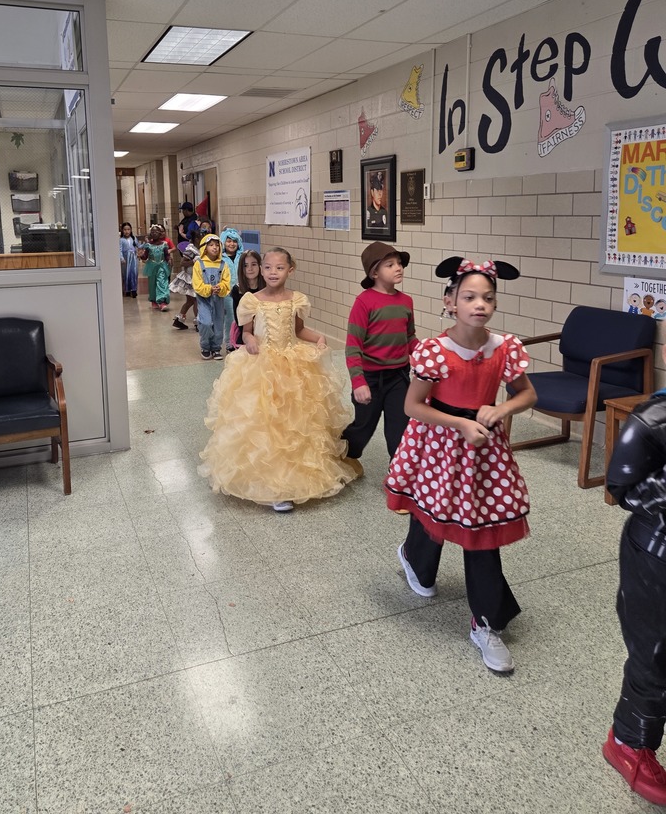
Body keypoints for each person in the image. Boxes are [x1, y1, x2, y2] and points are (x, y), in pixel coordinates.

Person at [383, 257, 537, 674]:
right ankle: (416, 559)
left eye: (487, 297)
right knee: (434, 514)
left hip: (485, 452)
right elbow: (412, 405)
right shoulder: (434, 351)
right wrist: (460, 424)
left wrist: (501, 407)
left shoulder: (505, 347)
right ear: (449, 301)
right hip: (439, 446)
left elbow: (527, 395)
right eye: (468, 296)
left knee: (479, 532)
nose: (479, 304)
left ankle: (486, 623)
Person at [198, 247, 361, 511]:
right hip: (262, 364)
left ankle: (298, 476)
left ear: (290, 270)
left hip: (292, 364)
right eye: (268, 267)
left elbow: (298, 330)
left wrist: (318, 337)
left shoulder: (297, 299)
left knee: (294, 422)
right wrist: (249, 341)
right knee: (265, 422)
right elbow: (246, 332)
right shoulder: (252, 300)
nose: (273, 272)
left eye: (280, 268)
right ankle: (272, 486)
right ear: (262, 270)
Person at [602, 359, 666, 805]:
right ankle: (630, 743)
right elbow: (622, 488)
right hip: (657, 554)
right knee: (656, 653)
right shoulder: (654, 420)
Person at [342, 242, 418, 464]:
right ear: (374, 272)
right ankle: (343, 458)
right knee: (362, 428)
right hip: (370, 378)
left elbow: (410, 337)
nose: (398, 268)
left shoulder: (406, 301)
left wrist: (425, 353)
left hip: (399, 377)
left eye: (399, 263)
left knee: (400, 430)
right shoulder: (364, 302)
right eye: (390, 264)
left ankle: (399, 474)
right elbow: (353, 345)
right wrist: (358, 382)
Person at [192, 232, 230, 359]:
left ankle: (216, 347)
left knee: (219, 323)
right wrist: (208, 289)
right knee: (206, 323)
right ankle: (205, 345)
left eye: (217, 245)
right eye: (211, 245)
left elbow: (226, 282)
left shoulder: (223, 264)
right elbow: (197, 284)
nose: (215, 247)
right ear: (204, 247)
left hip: (218, 299)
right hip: (204, 300)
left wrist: (221, 288)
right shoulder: (199, 264)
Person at [230, 249, 264, 347]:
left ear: (260, 266)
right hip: (245, 333)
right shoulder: (237, 290)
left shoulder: (267, 287)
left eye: (253, 264)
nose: (250, 269)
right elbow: (238, 319)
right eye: (245, 265)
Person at [220, 228, 243, 351]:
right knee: (230, 316)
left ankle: (239, 339)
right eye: (228, 241)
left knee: (241, 316)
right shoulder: (221, 258)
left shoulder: (242, 257)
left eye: (234, 241)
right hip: (226, 293)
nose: (232, 244)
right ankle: (229, 342)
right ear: (223, 242)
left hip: (240, 291)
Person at [170, 237, 199, 329]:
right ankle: (198, 322)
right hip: (190, 279)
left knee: (190, 301)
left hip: (197, 278)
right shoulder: (191, 249)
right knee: (196, 301)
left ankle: (179, 320)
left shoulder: (203, 249)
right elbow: (182, 263)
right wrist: (193, 261)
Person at [140, 225, 171, 311]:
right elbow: (145, 256)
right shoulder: (148, 245)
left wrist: (169, 260)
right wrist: (142, 256)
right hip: (151, 266)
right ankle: (154, 300)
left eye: (156, 232)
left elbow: (166, 255)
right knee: (152, 284)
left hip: (161, 265)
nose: (154, 233)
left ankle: (162, 302)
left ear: (160, 233)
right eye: (152, 232)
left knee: (162, 282)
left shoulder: (164, 244)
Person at [119, 222, 139, 298]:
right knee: (126, 274)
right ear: (122, 230)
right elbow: (119, 250)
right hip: (125, 259)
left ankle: (134, 290)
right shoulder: (121, 240)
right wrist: (121, 258)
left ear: (131, 230)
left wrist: (146, 243)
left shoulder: (133, 238)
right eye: (125, 229)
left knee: (133, 273)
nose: (127, 231)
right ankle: (127, 290)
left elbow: (139, 246)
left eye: (128, 229)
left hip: (133, 258)